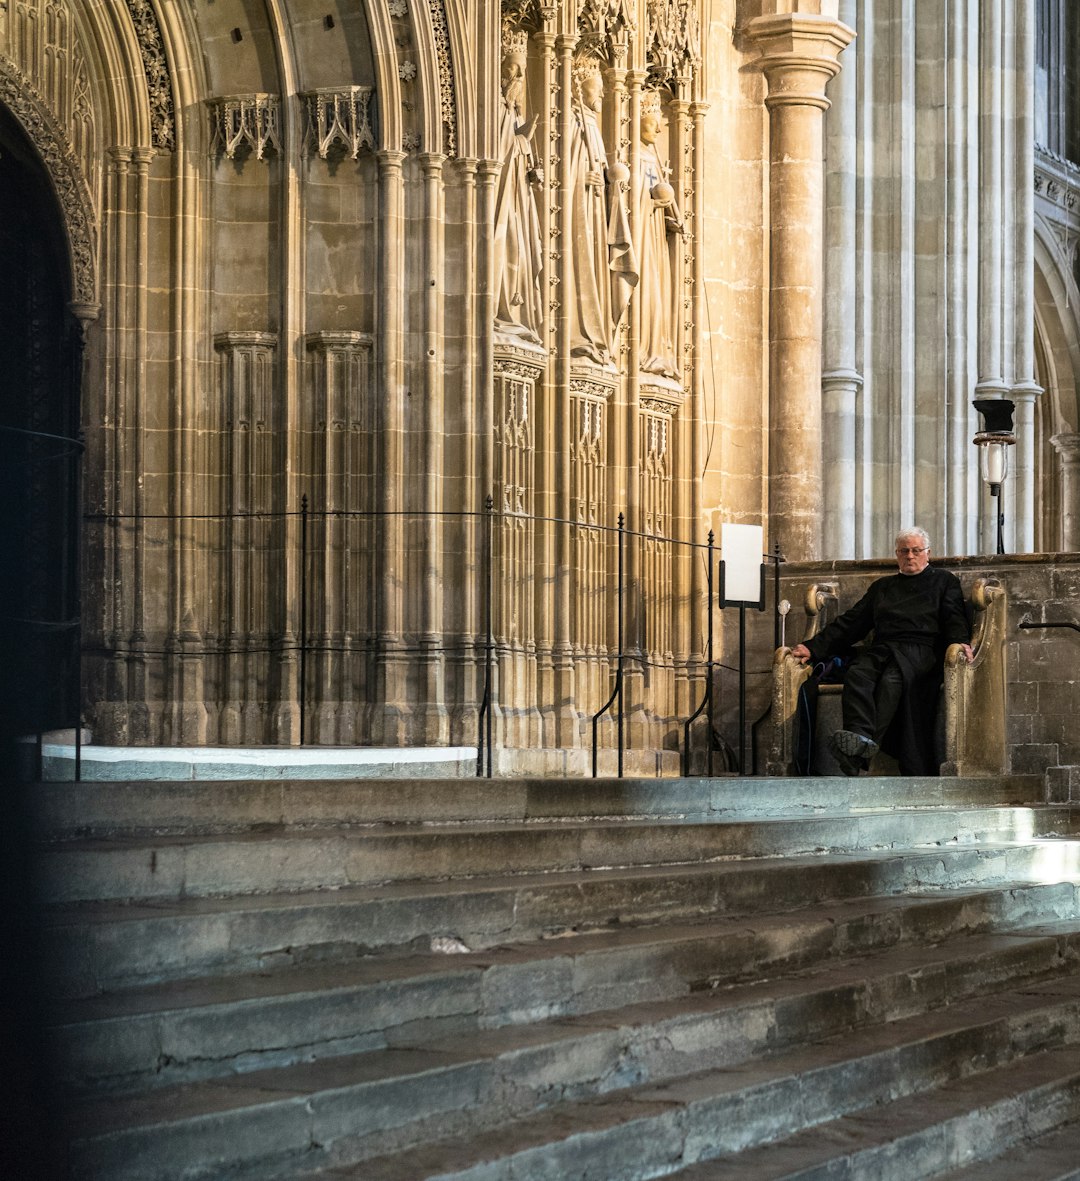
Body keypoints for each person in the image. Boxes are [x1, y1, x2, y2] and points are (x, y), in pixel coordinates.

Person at [790, 528, 974, 776]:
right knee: (857, 674)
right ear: (896, 554)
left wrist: (960, 642)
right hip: (884, 649)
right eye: (904, 551)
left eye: (916, 550)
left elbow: (953, 616)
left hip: (921, 651)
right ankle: (858, 736)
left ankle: (855, 754)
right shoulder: (882, 587)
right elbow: (852, 622)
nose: (910, 556)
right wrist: (812, 647)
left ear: (927, 553)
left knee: (891, 682)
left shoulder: (943, 581)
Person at [567, 53, 638, 366]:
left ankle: (597, 336)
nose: (603, 94)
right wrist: (583, 177)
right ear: (582, 89)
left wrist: (612, 186)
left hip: (596, 212)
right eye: (598, 88)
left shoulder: (592, 124)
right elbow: (563, 166)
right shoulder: (570, 121)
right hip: (580, 212)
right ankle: (578, 335)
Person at [493, 28, 545, 346]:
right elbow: (492, 153)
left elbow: (513, 149)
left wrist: (530, 162)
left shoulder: (513, 112)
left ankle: (512, 315)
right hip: (498, 199)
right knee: (505, 247)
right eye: (515, 68)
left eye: (524, 70)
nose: (521, 76)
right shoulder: (496, 109)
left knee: (519, 251)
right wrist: (520, 141)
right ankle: (501, 314)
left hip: (516, 198)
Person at [634, 97, 685, 379]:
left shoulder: (653, 158)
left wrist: (670, 220)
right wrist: (652, 205)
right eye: (654, 123)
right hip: (641, 235)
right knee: (646, 285)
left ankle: (657, 349)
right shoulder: (633, 157)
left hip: (655, 235)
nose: (659, 131)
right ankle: (643, 350)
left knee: (657, 286)